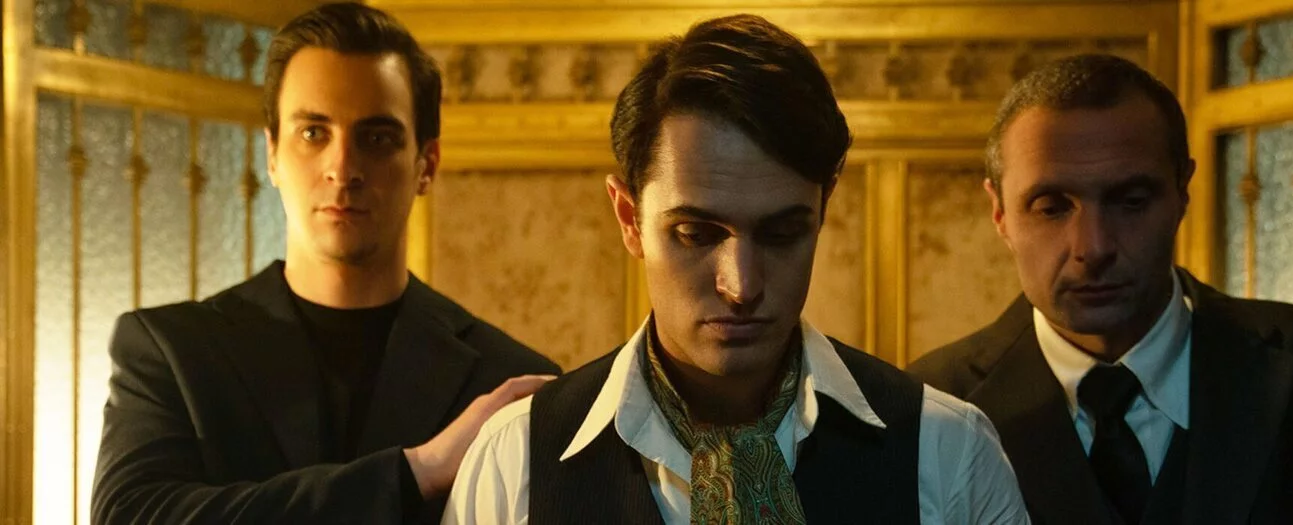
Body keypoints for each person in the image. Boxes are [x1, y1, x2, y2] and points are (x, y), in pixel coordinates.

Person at [443, 14, 1030, 525]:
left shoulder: (948, 453)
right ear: (629, 218)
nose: (742, 286)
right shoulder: (514, 461)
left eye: (781, 234)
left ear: (823, 209)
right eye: (696, 235)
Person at [907, 54, 1293, 524]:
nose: (1093, 246)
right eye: (1051, 208)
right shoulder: (930, 407)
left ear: (1182, 192)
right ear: (999, 213)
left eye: (1131, 201)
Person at [91, 4, 559, 524]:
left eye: (377, 138)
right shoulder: (171, 353)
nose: (343, 167)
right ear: (272, 155)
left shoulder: (505, 383)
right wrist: (416, 471)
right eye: (314, 133)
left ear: (427, 165)